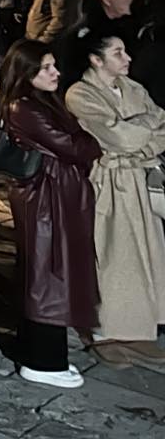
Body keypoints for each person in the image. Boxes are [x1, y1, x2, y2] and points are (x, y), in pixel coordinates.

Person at [0, 39, 100, 389]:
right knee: (47, 275)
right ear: (26, 73)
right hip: (45, 201)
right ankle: (42, 360)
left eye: (54, 65)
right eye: (46, 68)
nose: (56, 72)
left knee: (50, 273)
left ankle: (41, 353)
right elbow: (76, 146)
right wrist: (90, 138)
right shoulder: (25, 108)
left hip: (55, 196)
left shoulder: (39, 102)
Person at [63, 31, 165, 367]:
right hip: (108, 184)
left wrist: (140, 140)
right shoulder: (80, 94)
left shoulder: (134, 88)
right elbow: (119, 137)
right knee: (112, 257)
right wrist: (143, 130)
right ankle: (106, 331)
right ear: (96, 60)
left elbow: (161, 128)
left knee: (145, 254)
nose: (128, 58)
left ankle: (139, 328)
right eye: (118, 53)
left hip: (140, 181)